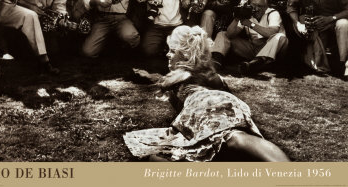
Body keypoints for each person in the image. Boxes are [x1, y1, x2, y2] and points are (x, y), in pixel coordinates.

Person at [124, 25, 290, 162]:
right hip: (224, 102)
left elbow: (178, 105)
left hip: (202, 104)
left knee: (158, 156)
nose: (167, 54)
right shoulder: (206, 74)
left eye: (172, 51)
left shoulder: (176, 79)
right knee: (234, 137)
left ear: (185, 54)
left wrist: (148, 77)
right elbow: (226, 94)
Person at [286, 0, 348, 79]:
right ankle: (312, 60)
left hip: (334, 19)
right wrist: (298, 24)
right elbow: (291, 7)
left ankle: (342, 63)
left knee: (343, 24)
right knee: (301, 19)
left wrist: (331, 18)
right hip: (312, 20)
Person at [211, 0, 288, 74]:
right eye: (254, 5)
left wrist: (250, 24)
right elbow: (229, 35)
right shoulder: (248, 12)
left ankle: (256, 64)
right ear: (250, 4)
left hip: (271, 50)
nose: (256, 9)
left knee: (280, 37)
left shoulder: (273, 13)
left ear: (266, 7)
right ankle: (216, 62)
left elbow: (271, 33)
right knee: (222, 34)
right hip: (253, 49)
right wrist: (237, 18)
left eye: (260, 6)